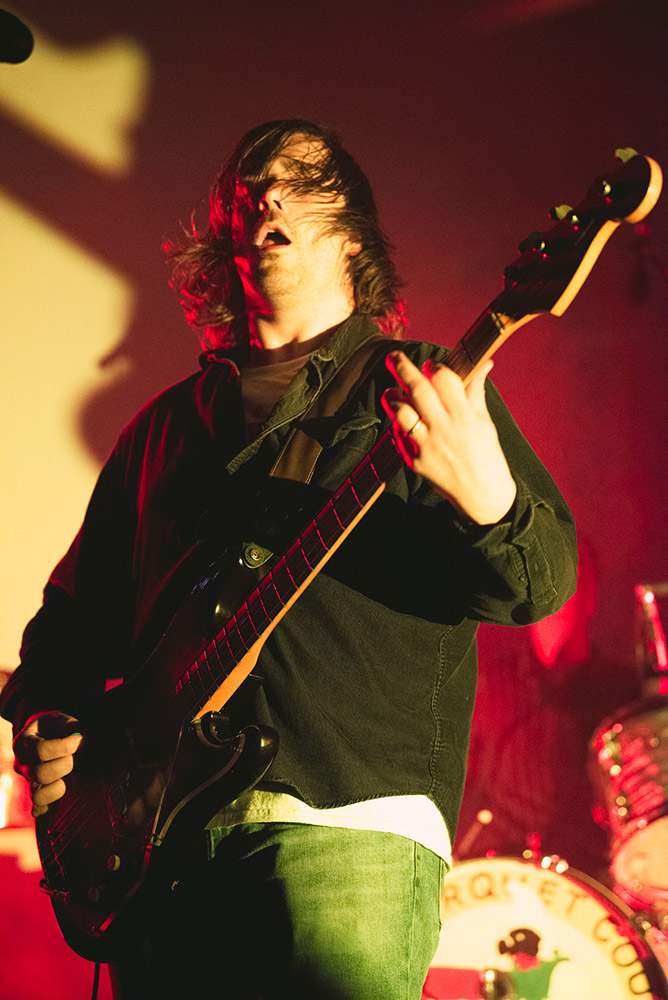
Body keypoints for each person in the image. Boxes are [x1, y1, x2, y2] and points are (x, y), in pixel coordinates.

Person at [1, 119, 577, 999]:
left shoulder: (421, 386)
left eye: (301, 178)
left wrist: (489, 497)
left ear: (352, 234)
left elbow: (540, 583)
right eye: (248, 183)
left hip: (347, 826)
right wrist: (49, 721)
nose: (267, 191)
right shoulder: (162, 431)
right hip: (160, 854)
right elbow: (70, 627)